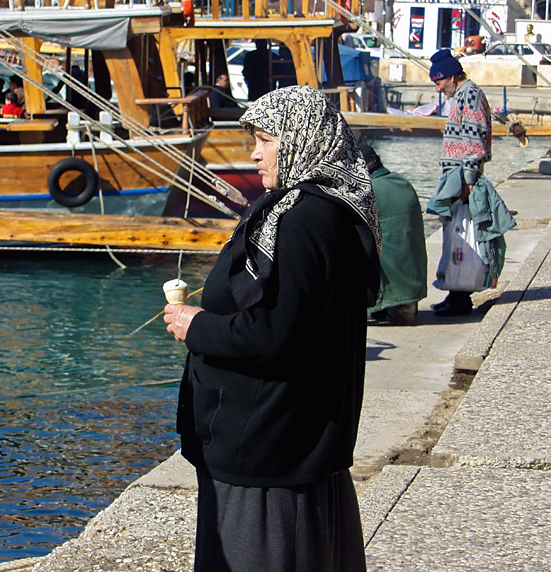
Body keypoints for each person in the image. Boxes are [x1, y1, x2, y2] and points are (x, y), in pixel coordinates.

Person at [163, 85, 380, 572]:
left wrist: (198, 326)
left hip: (268, 449)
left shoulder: (305, 219)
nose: (255, 153)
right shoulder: (331, 210)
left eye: (266, 139)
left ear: (301, 139)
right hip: (292, 439)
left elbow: (277, 335)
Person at [428, 49, 501, 317]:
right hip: (456, 178)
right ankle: (454, 293)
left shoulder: (469, 96)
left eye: (438, 82)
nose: (438, 88)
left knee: (462, 237)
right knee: (455, 235)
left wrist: (468, 182)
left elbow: (474, 142)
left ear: (450, 77)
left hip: (462, 179)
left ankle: (461, 299)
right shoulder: (463, 95)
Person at [360, 142, 427, 326]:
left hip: (391, 280)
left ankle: (376, 305)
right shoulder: (401, 182)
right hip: (413, 281)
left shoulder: (369, 191)